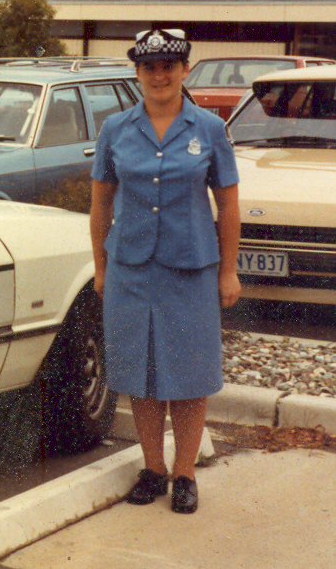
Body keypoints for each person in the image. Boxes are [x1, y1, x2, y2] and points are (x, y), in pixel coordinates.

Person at [90, 28, 241, 514]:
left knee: (191, 373)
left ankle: (185, 474)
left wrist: (229, 271)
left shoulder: (209, 129)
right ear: (137, 72)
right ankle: (153, 468)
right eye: (149, 67)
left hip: (191, 268)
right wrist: (100, 266)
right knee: (141, 369)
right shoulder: (115, 128)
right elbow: (100, 205)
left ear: (184, 70)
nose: (159, 76)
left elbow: (230, 204)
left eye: (169, 66)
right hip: (131, 268)